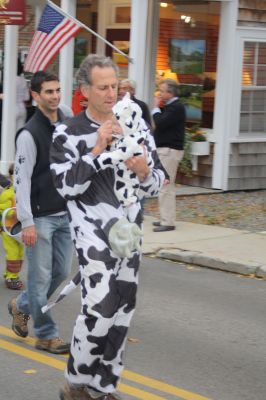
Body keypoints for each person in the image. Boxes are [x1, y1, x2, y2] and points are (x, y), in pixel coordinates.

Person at [49, 54, 165, 400]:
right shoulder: (67, 133)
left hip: (129, 233)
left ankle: (103, 387)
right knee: (100, 305)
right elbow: (65, 187)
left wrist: (145, 171)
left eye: (115, 85)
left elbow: (159, 182)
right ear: (85, 90)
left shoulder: (136, 124)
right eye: (103, 87)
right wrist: (98, 148)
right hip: (92, 231)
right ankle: (76, 382)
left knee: (122, 310)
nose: (111, 93)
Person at [7, 70, 73, 354]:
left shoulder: (67, 118)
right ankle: (46, 334)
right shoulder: (29, 135)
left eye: (58, 90)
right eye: (49, 92)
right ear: (35, 96)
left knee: (59, 273)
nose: (55, 96)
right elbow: (21, 179)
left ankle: (21, 305)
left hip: (64, 213)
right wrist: (27, 222)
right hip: (40, 217)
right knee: (40, 278)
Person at [152, 78, 186, 232]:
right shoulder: (170, 107)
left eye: (162, 90)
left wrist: (155, 109)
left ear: (170, 92)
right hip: (165, 150)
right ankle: (165, 218)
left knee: (166, 185)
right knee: (163, 185)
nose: (159, 93)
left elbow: (160, 123)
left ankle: (168, 221)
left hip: (170, 150)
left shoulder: (176, 107)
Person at [0, 163, 24, 290]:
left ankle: (12, 274)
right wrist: (12, 212)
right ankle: (11, 276)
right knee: (13, 253)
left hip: (19, 229)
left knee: (20, 252)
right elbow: (2, 209)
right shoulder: (7, 194)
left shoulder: (25, 192)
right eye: (16, 173)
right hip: (8, 229)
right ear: (11, 175)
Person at [16, 58, 30, 131]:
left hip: (12, 108)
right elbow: (27, 97)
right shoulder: (23, 80)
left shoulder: (9, 79)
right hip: (22, 108)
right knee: (19, 132)